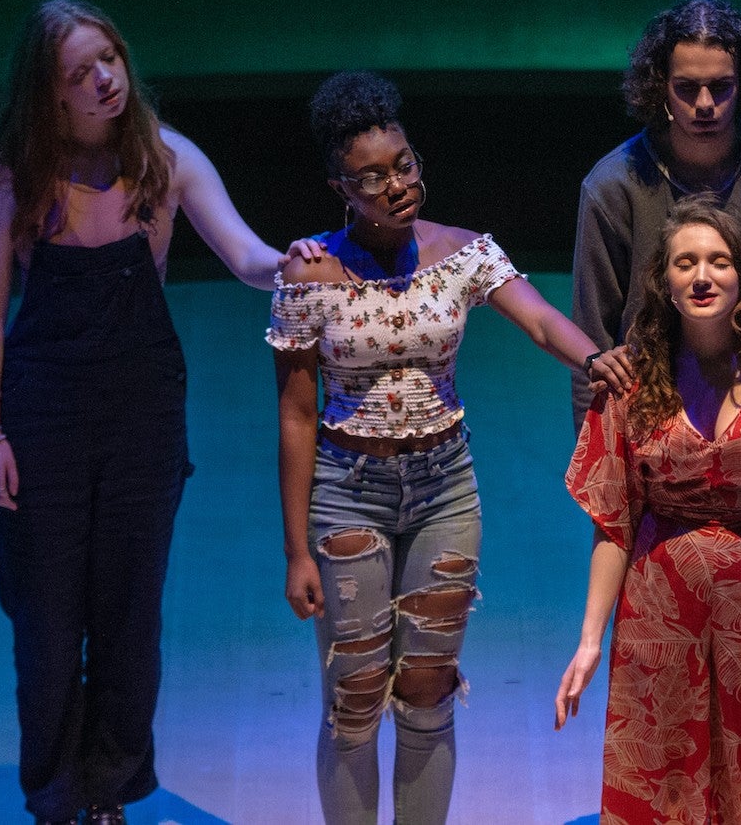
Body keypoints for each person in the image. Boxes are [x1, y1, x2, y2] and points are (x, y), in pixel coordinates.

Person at [0, 0, 321, 825]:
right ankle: (54, 795)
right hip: (43, 415)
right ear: (48, 93)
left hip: (143, 416)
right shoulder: (11, 181)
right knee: (49, 625)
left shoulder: (165, 159)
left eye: (111, 59)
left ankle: (110, 792)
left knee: (131, 618)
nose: (105, 79)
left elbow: (244, 255)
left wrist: (290, 261)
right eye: (81, 71)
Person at [268, 71, 627, 824]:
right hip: (347, 487)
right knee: (356, 693)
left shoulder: (464, 252)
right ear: (340, 185)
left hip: (444, 489)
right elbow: (297, 414)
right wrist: (297, 549)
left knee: (428, 684)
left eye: (404, 164)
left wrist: (593, 358)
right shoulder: (308, 272)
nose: (396, 185)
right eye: (372, 177)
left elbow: (536, 319)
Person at [555, 197, 741, 824]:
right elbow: (612, 520)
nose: (701, 276)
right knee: (661, 777)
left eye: (718, 262)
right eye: (685, 263)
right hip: (658, 612)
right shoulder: (630, 380)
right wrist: (589, 641)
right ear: (663, 281)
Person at [571, 0, 741, 429]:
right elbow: (591, 345)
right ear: (661, 87)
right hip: (650, 421)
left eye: (722, 86)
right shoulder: (613, 184)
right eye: (687, 88)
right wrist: (591, 457)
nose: (706, 103)